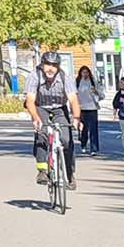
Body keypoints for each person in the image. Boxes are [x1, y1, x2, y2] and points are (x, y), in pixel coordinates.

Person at [24, 52, 79, 191]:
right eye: (48, 64)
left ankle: (69, 173)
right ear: (42, 65)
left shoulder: (65, 78)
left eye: (54, 65)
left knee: (66, 140)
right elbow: (30, 101)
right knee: (41, 133)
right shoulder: (34, 76)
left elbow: (73, 100)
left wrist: (76, 118)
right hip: (40, 107)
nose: (51, 68)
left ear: (58, 67)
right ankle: (42, 171)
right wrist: (36, 118)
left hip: (59, 108)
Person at [74, 65, 103, 156]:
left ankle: (94, 148)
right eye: (83, 72)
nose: (85, 74)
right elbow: (74, 96)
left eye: (86, 72)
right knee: (84, 129)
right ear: (80, 73)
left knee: (93, 129)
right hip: (81, 108)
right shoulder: (77, 82)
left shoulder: (93, 82)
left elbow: (102, 95)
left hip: (92, 108)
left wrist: (96, 92)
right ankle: (83, 144)